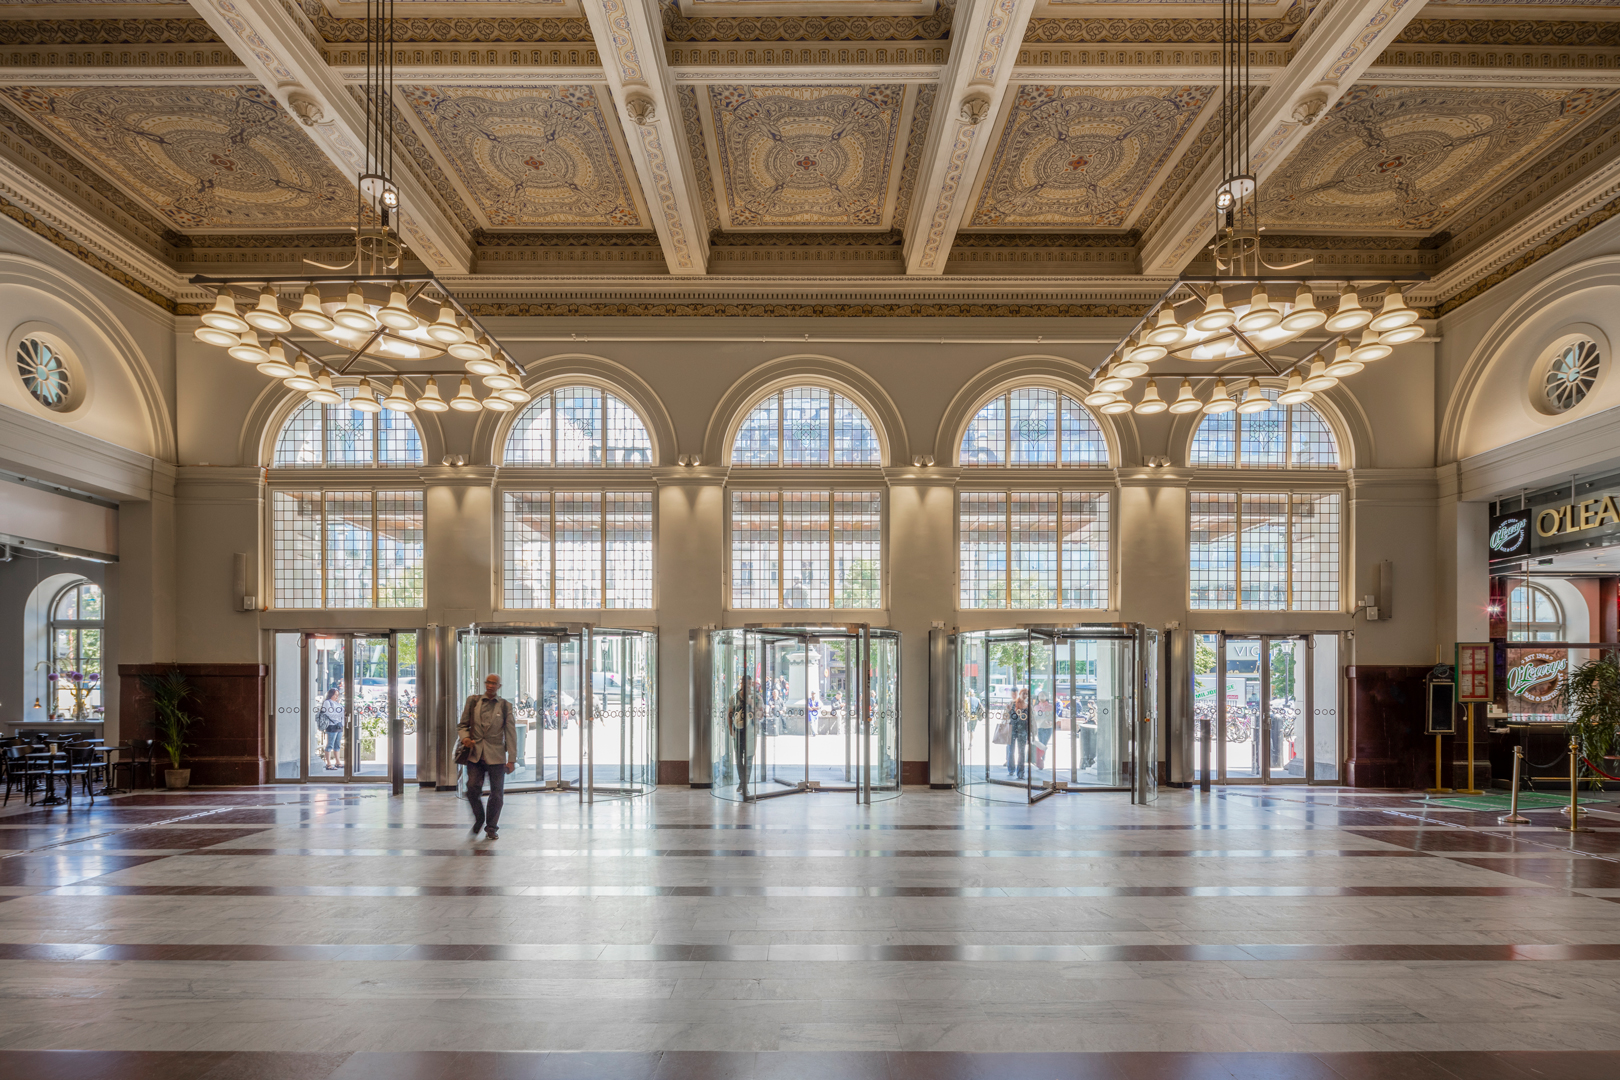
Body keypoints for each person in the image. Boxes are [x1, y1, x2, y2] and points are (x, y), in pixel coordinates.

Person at [458, 673, 517, 840]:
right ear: (485, 684)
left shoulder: (505, 706)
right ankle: (479, 818)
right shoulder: (473, 702)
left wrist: (512, 759)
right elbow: (462, 725)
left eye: (494, 683)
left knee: (497, 794)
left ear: (499, 686)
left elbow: (511, 734)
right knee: (472, 789)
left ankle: (491, 827)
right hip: (475, 754)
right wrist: (465, 738)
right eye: (488, 682)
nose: (490, 686)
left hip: (496, 755)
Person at [726, 675, 761, 797]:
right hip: (738, 732)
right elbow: (730, 714)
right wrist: (731, 729)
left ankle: (744, 784)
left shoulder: (756, 698)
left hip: (751, 732)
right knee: (739, 758)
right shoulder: (734, 698)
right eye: (745, 684)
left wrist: (752, 705)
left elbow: (760, 715)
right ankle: (742, 782)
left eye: (750, 684)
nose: (748, 686)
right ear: (741, 684)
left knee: (749, 758)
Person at [316, 687, 344, 771]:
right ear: (331, 694)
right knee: (330, 745)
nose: (336, 696)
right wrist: (338, 715)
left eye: (337, 695)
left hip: (339, 726)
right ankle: (328, 763)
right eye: (335, 694)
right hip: (331, 726)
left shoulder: (337, 703)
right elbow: (329, 714)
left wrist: (341, 722)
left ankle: (338, 762)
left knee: (337, 745)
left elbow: (342, 714)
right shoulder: (327, 703)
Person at [1005, 688, 1029, 778]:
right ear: (1020, 693)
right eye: (1023, 693)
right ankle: (1011, 769)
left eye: (1026, 694)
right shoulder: (1013, 704)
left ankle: (1021, 772)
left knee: (1021, 752)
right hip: (1012, 729)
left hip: (1023, 731)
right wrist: (1009, 710)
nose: (1025, 695)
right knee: (1011, 750)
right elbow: (1009, 717)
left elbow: (1029, 720)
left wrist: (1030, 733)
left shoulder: (1027, 706)